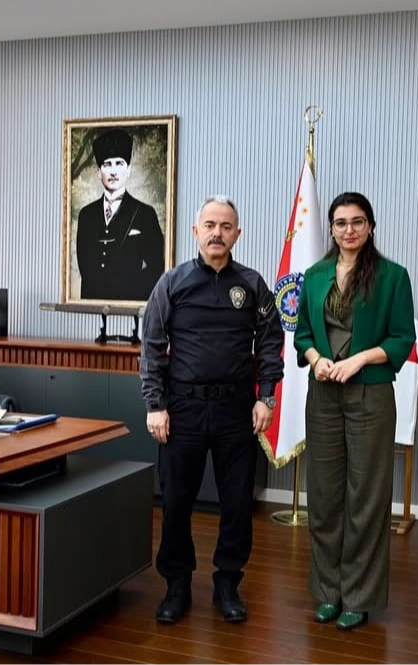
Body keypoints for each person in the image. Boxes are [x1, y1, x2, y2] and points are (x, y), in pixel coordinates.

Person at [140, 195, 284, 624]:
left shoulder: (253, 285)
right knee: (176, 501)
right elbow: (152, 346)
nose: (216, 233)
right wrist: (155, 405)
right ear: (195, 231)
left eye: (225, 226)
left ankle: (227, 584)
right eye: (209, 225)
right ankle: (177, 585)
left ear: (237, 234)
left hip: (236, 409)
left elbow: (271, 341)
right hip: (182, 408)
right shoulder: (173, 282)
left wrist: (267, 397)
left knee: (237, 502)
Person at [293, 191, 415, 631]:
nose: (349, 230)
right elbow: (302, 335)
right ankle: (329, 592)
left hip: (370, 396)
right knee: (325, 497)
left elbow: (402, 338)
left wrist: (359, 359)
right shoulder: (315, 275)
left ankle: (358, 598)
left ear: (370, 226)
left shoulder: (393, 277)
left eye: (357, 222)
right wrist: (316, 360)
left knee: (366, 498)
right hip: (323, 395)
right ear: (331, 228)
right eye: (341, 222)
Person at [76, 128, 165, 301]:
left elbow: (156, 266)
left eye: (119, 163)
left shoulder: (145, 214)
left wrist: (130, 293)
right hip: (93, 304)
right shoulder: (86, 215)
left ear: (128, 170)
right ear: (99, 172)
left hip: (130, 303)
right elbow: (84, 266)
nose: (113, 171)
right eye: (107, 165)